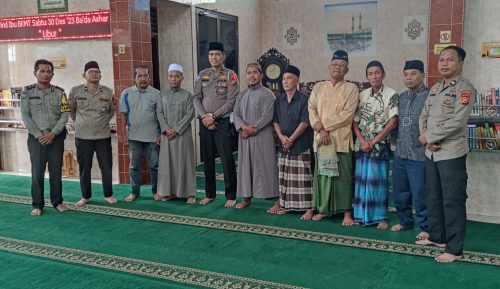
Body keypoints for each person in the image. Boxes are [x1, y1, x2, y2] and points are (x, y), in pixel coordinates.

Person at [416, 45, 476, 263]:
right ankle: (437, 237)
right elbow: (423, 115)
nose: (444, 64)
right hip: (431, 153)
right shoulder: (434, 88)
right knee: (433, 197)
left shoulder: (465, 89)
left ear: (460, 63)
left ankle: (454, 249)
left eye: (450, 60)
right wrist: (426, 136)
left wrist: (429, 137)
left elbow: (458, 121)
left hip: (451, 153)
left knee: (453, 200)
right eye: (442, 60)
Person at [308, 50, 359, 224]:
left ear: (347, 69)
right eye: (335, 64)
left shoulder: (352, 89)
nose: (338, 68)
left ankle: (346, 212)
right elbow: (311, 109)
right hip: (321, 141)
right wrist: (319, 129)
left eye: (342, 65)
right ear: (329, 67)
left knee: (342, 178)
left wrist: (324, 128)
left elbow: (347, 115)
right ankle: (323, 210)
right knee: (323, 176)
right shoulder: (318, 87)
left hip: (341, 140)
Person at [20, 59, 70, 216]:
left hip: (56, 137)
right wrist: (39, 135)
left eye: (49, 71)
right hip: (36, 139)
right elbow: (25, 116)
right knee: (37, 173)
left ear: (53, 74)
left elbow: (65, 114)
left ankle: (57, 202)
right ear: (35, 73)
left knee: (56, 172)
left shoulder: (61, 92)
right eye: (42, 71)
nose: (46, 74)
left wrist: (53, 133)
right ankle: (37, 204)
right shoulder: (27, 92)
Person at [352, 60, 398, 230]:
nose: (374, 76)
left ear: (383, 74)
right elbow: (355, 122)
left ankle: (381, 217)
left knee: (378, 182)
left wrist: (373, 141)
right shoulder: (362, 95)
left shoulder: (392, 94)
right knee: (362, 181)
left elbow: (392, 123)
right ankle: (360, 215)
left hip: (379, 146)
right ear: (367, 77)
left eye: (377, 72)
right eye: (370, 74)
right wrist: (363, 141)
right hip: (362, 145)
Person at [193, 42, 238, 207]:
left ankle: (231, 195)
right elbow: (196, 97)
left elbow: (232, 101)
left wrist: (214, 116)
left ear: (223, 56)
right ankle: (210, 194)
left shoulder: (230, 75)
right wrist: (205, 117)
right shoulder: (202, 74)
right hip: (205, 123)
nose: (214, 57)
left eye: (217, 54)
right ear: (208, 56)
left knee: (227, 159)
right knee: (208, 160)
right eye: (211, 54)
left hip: (223, 122)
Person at [69, 61, 117, 207]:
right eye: (91, 71)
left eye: (97, 71)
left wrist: (100, 123)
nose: (95, 74)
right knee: (84, 168)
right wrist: (83, 123)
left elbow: (111, 111)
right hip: (83, 137)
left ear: (100, 75)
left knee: (106, 167)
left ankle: (108, 194)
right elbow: (72, 110)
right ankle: (85, 196)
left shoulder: (108, 91)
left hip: (103, 136)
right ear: (84, 75)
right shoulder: (76, 91)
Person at [391, 60, 429, 239]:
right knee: (400, 192)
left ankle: (426, 226)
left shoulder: (430, 96)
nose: (409, 78)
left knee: (420, 193)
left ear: (423, 75)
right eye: (406, 74)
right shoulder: (402, 97)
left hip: (419, 154)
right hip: (400, 153)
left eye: (413, 73)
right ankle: (405, 221)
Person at [233, 63, 278, 209]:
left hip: (262, 136)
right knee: (245, 167)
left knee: (266, 166)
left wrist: (254, 128)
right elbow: (236, 114)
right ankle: (246, 198)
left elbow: (268, 114)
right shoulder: (242, 95)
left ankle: (276, 199)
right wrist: (244, 127)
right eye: (248, 73)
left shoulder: (267, 94)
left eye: (254, 72)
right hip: (245, 136)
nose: (251, 76)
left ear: (261, 75)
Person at [271, 65, 314, 219]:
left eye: (289, 78)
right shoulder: (279, 100)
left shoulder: (304, 99)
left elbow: (305, 122)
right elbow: (275, 121)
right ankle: (287, 205)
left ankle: (309, 208)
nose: (285, 81)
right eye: (283, 78)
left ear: (297, 81)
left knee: (303, 178)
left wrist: (291, 139)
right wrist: (282, 138)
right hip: (284, 144)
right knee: (285, 177)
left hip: (300, 144)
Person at [119, 65, 161, 202]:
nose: (143, 78)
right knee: (134, 166)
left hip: (152, 137)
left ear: (149, 77)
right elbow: (123, 116)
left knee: (154, 166)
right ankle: (134, 192)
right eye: (139, 76)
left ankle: (156, 191)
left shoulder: (156, 94)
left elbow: (160, 116)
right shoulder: (126, 93)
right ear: (134, 78)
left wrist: (160, 134)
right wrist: (124, 135)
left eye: (145, 75)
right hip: (133, 137)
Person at [156, 64, 196, 204]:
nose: (173, 79)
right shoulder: (162, 95)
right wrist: (166, 129)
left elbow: (190, 114)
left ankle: (190, 193)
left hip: (182, 135)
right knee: (167, 165)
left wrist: (177, 130)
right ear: (168, 77)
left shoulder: (188, 95)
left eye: (176, 76)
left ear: (182, 78)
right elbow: (159, 113)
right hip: (167, 135)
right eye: (171, 76)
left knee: (185, 163)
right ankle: (169, 192)